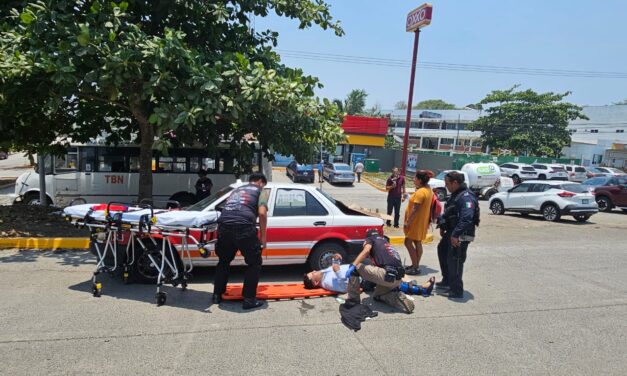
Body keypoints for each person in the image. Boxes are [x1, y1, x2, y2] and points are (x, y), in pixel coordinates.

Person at [212, 173, 268, 310]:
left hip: (224, 227)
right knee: (254, 262)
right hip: (243, 227)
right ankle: (249, 299)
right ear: (260, 182)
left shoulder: (237, 189)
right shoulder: (261, 191)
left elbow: (218, 194)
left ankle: (217, 295)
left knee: (224, 261)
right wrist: (263, 237)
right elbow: (262, 213)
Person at [344, 229, 415, 314]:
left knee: (356, 268)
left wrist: (353, 265)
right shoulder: (386, 242)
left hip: (386, 275)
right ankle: (397, 297)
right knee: (377, 296)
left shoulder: (370, 239)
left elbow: (366, 250)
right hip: (397, 278)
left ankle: (353, 300)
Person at [303, 253, 435, 297]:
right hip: (362, 278)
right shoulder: (327, 283)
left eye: (312, 271)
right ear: (315, 282)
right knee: (388, 279)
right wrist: (337, 270)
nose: (315, 271)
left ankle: (410, 282)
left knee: (385, 268)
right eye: (312, 274)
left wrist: (336, 258)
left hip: (357, 268)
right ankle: (420, 289)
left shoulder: (324, 274)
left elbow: (338, 268)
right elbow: (344, 287)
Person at [436, 171, 479, 299]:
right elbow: (450, 212)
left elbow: (467, 218)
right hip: (452, 232)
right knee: (442, 251)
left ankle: (456, 290)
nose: (446, 186)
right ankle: (447, 281)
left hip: (461, 234)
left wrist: (455, 235)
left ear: (455, 183)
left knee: (455, 260)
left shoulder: (466, 197)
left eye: (447, 183)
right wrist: (443, 225)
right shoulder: (456, 195)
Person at [403, 170, 435, 276]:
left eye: (415, 178)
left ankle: (415, 267)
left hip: (415, 222)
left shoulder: (421, 192)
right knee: (417, 242)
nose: (413, 179)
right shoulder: (428, 189)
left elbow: (415, 209)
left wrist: (408, 222)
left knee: (407, 242)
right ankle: (415, 265)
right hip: (422, 222)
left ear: (420, 180)